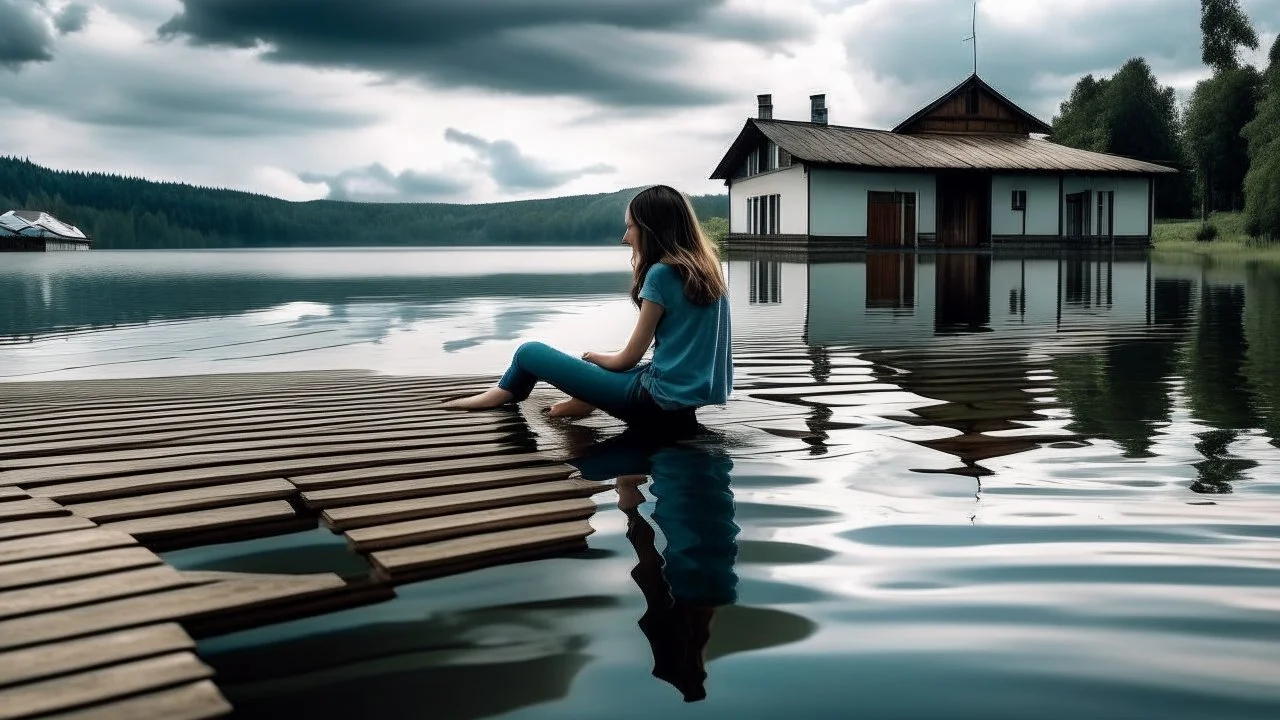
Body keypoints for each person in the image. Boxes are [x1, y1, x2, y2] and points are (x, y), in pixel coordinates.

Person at [442, 184, 732, 426]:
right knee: (629, 369)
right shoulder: (710, 269)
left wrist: (592, 356)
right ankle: (584, 400)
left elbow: (627, 359)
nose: (625, 237)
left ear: (651, 229)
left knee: (529, 352)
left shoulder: (661, 274)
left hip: (650, 403)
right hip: (684, 404)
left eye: (631, 227)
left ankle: (503, 393)